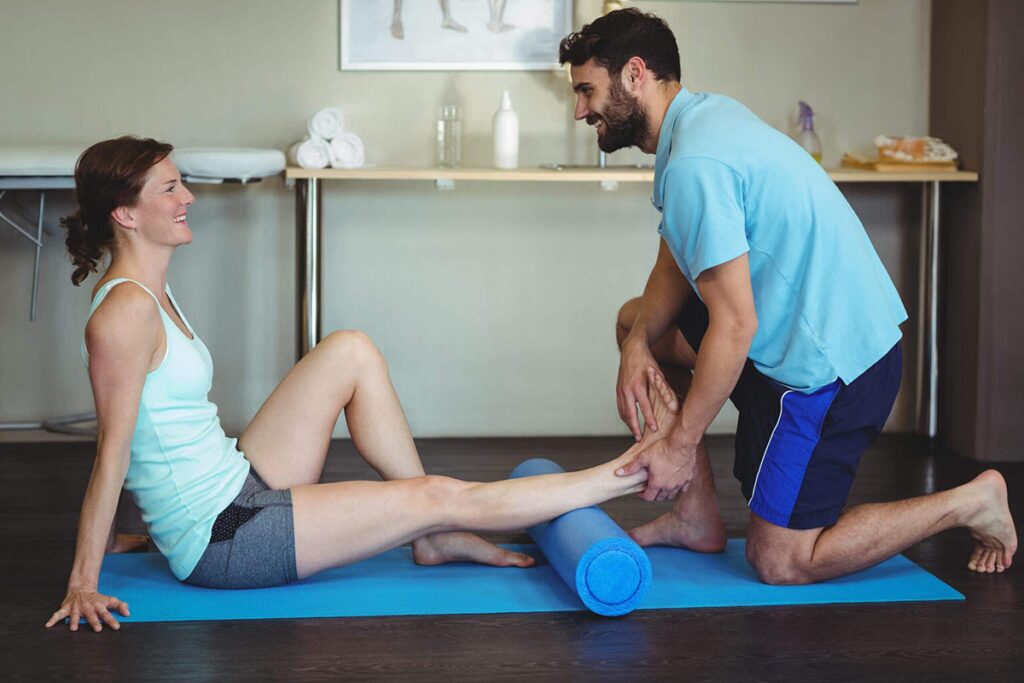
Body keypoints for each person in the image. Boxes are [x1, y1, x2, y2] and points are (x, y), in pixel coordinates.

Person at [46, 136, 647, 632]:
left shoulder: (152, 290)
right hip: (223, 539)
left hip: (236, 482)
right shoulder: (125, 313)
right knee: (439, 493)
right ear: (125, 214)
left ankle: (432, 538)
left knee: (349, 350)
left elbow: (160, 430)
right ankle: (624, 473)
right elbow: (115, 450)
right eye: (170, 188)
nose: (190, 198)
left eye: (182, 183)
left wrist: (141, 529)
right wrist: (83, 580)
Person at [559, 9, 1016, 584]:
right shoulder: (698, 126)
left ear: (634, 74)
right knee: (639, 323)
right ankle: (696, 518)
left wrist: (679, 444)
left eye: (586, 90)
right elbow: (673, 270)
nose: (580, 110)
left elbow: (734, 326)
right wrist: (634, 348)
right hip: (792, 345)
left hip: (833, 373)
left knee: (780, 561)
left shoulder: (697, 160)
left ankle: (970, 501)